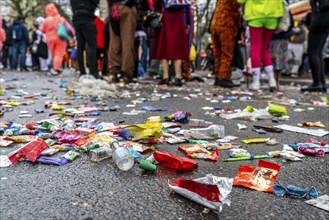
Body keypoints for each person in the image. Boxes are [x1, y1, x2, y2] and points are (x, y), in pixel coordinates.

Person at [237, 0, 284, 90]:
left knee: (255, 48)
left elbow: (240, 1)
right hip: (272, 15)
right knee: (265, 49)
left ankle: (256, 82)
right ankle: (271, 80)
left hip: (255, 15)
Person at [151, 1, 190, 86]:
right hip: (179, 18)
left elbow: (156, 3)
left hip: (165, 17)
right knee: (177, 47)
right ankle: (177, 76)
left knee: (164, 46)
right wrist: (187, 21)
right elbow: (187, 6)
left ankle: (165, 77)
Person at [210, 0, 241, 88]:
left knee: (217, 52)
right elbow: (235, 11)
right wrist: (239, 26)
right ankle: (223, 77)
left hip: (215, 23)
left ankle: (217, 75)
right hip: (226, 23)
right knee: (227, 53)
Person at [301, 0, 329, 93]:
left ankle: (317, 83)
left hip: (320, 16)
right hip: (326, 17)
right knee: (318, 52)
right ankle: (321, 83)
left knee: (312, 52)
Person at [108, 0, 137, 83]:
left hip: (114, 8)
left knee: (114, 42)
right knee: (127, 42)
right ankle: (127, 73)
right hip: (127, 7)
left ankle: (114, 72)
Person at [70, 0, 101, 80]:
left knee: (80, 46)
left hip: (77, 17)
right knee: (91, 45)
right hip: (88, 17)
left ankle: (82, 71)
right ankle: (93, 71)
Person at [41, 3, 68, 75]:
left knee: (53, 54)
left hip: (50, 39)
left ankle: (56, 67)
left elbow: (42, 30)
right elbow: (68, 28)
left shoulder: (46, 20)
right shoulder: (61, 19)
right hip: (60, 38)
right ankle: (56, 68)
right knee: (59, 54)